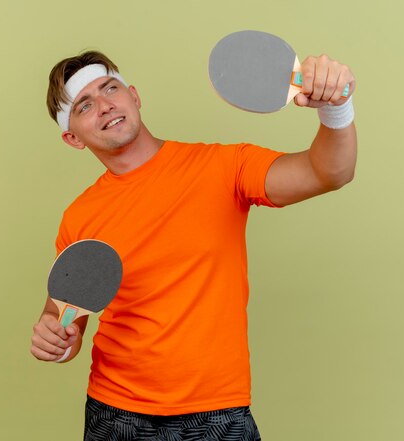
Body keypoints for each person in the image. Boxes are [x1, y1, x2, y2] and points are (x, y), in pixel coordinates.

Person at [31, 50, 356, 440]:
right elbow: (67, 321)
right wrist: (56, 340)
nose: (104, 106)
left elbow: (329, 172)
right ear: (72, 137)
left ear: (133, 95)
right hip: (114, 413)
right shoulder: (79, 216)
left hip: (217, 412)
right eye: (84, 105)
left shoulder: (223, 166)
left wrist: (337, 107)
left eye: (110, 89)